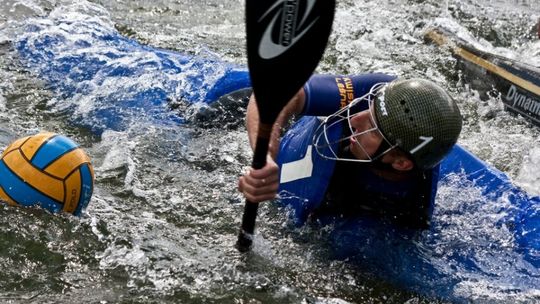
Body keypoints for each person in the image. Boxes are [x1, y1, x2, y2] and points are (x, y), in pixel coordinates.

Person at [238, 74, 463, 229]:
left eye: (373, 129)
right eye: (368, 108)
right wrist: (264, 153)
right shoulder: (387, 92)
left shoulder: (417, 164)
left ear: (401, 163)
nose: (355, 118)